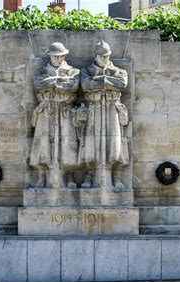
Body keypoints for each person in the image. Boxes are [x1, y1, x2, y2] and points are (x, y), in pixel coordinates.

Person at [30, 42, 80, 188]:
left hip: (65, 109)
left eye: (61, 55)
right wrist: (60, 82)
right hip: (46, 109)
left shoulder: (73, 71)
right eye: (56, 56)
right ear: (50, 56)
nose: (59, 58)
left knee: (68, 145)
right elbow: (39, 84)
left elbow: (73, 86)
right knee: (43, 144)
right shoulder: (41, 71)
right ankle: (42, 177)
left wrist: (52, 83)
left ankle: (68, 177)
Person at [80, 41, 129, 189]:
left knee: (114, 144)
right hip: (94, 108)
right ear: (95, 56)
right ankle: (89, 175)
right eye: (101, 56)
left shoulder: (118, 71)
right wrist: (107, 82)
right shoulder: (86, 71)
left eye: (106, 56)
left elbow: (122, 83)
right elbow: (86, 85)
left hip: (112, 109)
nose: (104, 58)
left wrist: (101, 80)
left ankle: (116, 175)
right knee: (91, 144)